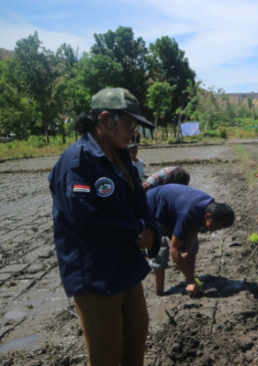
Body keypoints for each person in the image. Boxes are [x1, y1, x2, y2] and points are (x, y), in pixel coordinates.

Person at [48, 87, 159, 366]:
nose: (132, 132)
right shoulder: (76, 162)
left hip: (125, 266)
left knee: (136, 337)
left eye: (135, 126)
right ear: (106, 118)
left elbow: (139, 198)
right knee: (106, 353)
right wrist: (135, 230)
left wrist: (150, 228)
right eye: (129, 124)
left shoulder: (121, 156)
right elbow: (85, 220)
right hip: (96, 275)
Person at [146, 184, 235, 297]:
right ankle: (160, 291)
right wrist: (190, 279)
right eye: (213, 227)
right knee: (160, 250)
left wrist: (187, 251)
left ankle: (191, 283)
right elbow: (174, 249)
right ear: (207, 217)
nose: (212, 231)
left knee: (193, 246)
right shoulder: (188, 214)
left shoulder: (210, 206)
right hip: (153, 208)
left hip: (173, 209)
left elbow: (195, 229)